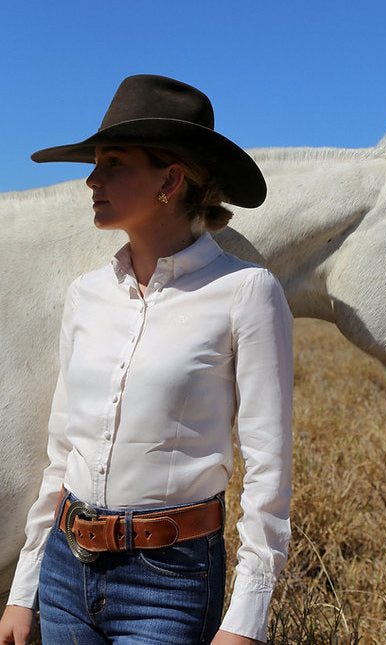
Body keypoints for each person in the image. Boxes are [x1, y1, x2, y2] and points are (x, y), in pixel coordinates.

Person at [0, 75, 293, 645]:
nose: (91, 179)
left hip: (170, 582)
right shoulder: (85, 294)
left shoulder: (247, 293)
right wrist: (24, 588)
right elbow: (63, 451)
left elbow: (269, 466)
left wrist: (248, 618)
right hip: (64, 569)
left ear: (170, 179)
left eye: (113, 163)